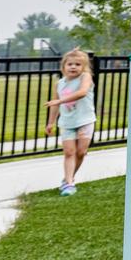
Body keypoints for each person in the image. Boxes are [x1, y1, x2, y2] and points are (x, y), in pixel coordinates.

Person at [45, 48, 97, 195]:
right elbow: (55, 105)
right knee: (69, 152)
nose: (73, 67)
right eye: (70, 64)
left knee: (81, 152)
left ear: (84, 67)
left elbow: (82, 93)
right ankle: (69, 183)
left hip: (84, 121)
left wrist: (60, 100)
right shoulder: (59, 83)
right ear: (63, 67)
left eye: (77, 64)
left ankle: (69, 178)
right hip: (67, 123)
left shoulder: (85, 77)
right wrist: (51, 122)